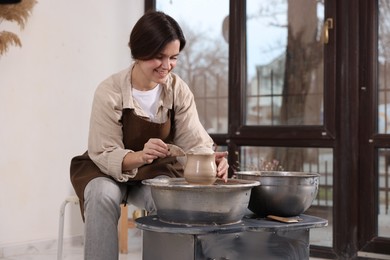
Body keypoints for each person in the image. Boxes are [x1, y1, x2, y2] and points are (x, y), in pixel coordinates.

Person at [69, 10, 229, 260]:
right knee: (101, 194)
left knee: (167, 198)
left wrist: (212, 160)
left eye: (174, 57)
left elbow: (194, 141)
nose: (167, 66)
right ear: (138, 51)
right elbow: (104, 152)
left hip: (153, 172)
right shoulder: (109, 91)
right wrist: (140, 155)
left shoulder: (178, 90)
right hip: (105, 170)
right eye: (159, 57)